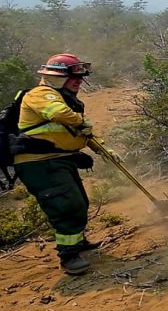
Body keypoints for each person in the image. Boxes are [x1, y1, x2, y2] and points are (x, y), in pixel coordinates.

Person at [13, 54, 116, 276]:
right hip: (39, 164)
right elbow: (59, 115)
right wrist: (81, 122)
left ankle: (78, 242)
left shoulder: (66, 99)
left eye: (80, 77)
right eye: (72, 77)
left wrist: (102, 149)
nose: (78, 81)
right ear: (57, 77)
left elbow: (80, 132)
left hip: (58, 160)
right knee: (67, 206)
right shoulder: (41, 94)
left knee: (80, 202)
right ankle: (69, 256)